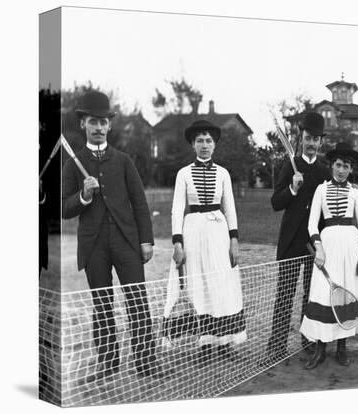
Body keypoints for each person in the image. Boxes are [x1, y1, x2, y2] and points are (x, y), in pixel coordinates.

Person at [62, 91, 160, 381]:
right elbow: (64, 207)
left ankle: (146, 364)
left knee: (137, 302)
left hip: (127, 242)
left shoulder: (124, 161)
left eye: (103, 122)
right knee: (102, 306)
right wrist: (83, 195)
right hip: (94, 246)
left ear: (109, 126)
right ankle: (108, 364)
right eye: (93, 121)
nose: (98, 127)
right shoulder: (72, 164)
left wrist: (146, 241)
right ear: (83, 124)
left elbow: (140, 203)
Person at [166, 120, 246, 362]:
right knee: (198, 284)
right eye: (199, 141)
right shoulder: (183, 174)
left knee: (221, 282)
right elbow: (177, 209)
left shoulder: (223, 173)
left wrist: (234, 240)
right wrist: (177, 243)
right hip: (193, 232)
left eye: (208, 141)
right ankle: (204, 344)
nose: (204, 145)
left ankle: (223, 342)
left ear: (214, 145)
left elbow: (230, 208)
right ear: (193, 145)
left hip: (219, 232)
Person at [266, 112, 331, 360]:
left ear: (321, 142)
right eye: (307, 138)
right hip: (291, 242)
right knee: (284, 295)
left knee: (310, 296)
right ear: (301, 139)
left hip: (314, 244)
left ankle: (308, 341)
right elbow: (275, 202)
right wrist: (293, 188)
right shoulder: (289, 165)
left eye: (316, 139)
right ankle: (277, 346)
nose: (312, 143)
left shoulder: (325, 172)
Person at [300, 143, 358, 369]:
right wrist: (318, 247)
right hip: (328, 246)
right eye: (338, 165)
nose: (341, 170)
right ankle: (320, 349)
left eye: (346, 166)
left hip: (351, 247)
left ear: (351, 169)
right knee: (323, 293)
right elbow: (312, 224)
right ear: (332, 166)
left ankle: (342, 348)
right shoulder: (321, 189)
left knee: (347, 294)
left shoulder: (355, 193)